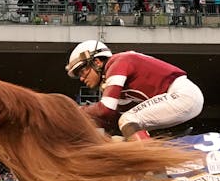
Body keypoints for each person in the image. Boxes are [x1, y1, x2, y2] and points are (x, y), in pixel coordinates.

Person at [65, 39, 204, 140]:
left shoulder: (117, 63)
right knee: (125, 131)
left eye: (82, 71)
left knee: (128, 119)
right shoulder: (113, 80)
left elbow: (105, 109)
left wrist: (76, 112)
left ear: (97, 62)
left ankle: (151, 165)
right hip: (179, 97)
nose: (81, 78)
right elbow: (111, 119)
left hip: (182, 94)